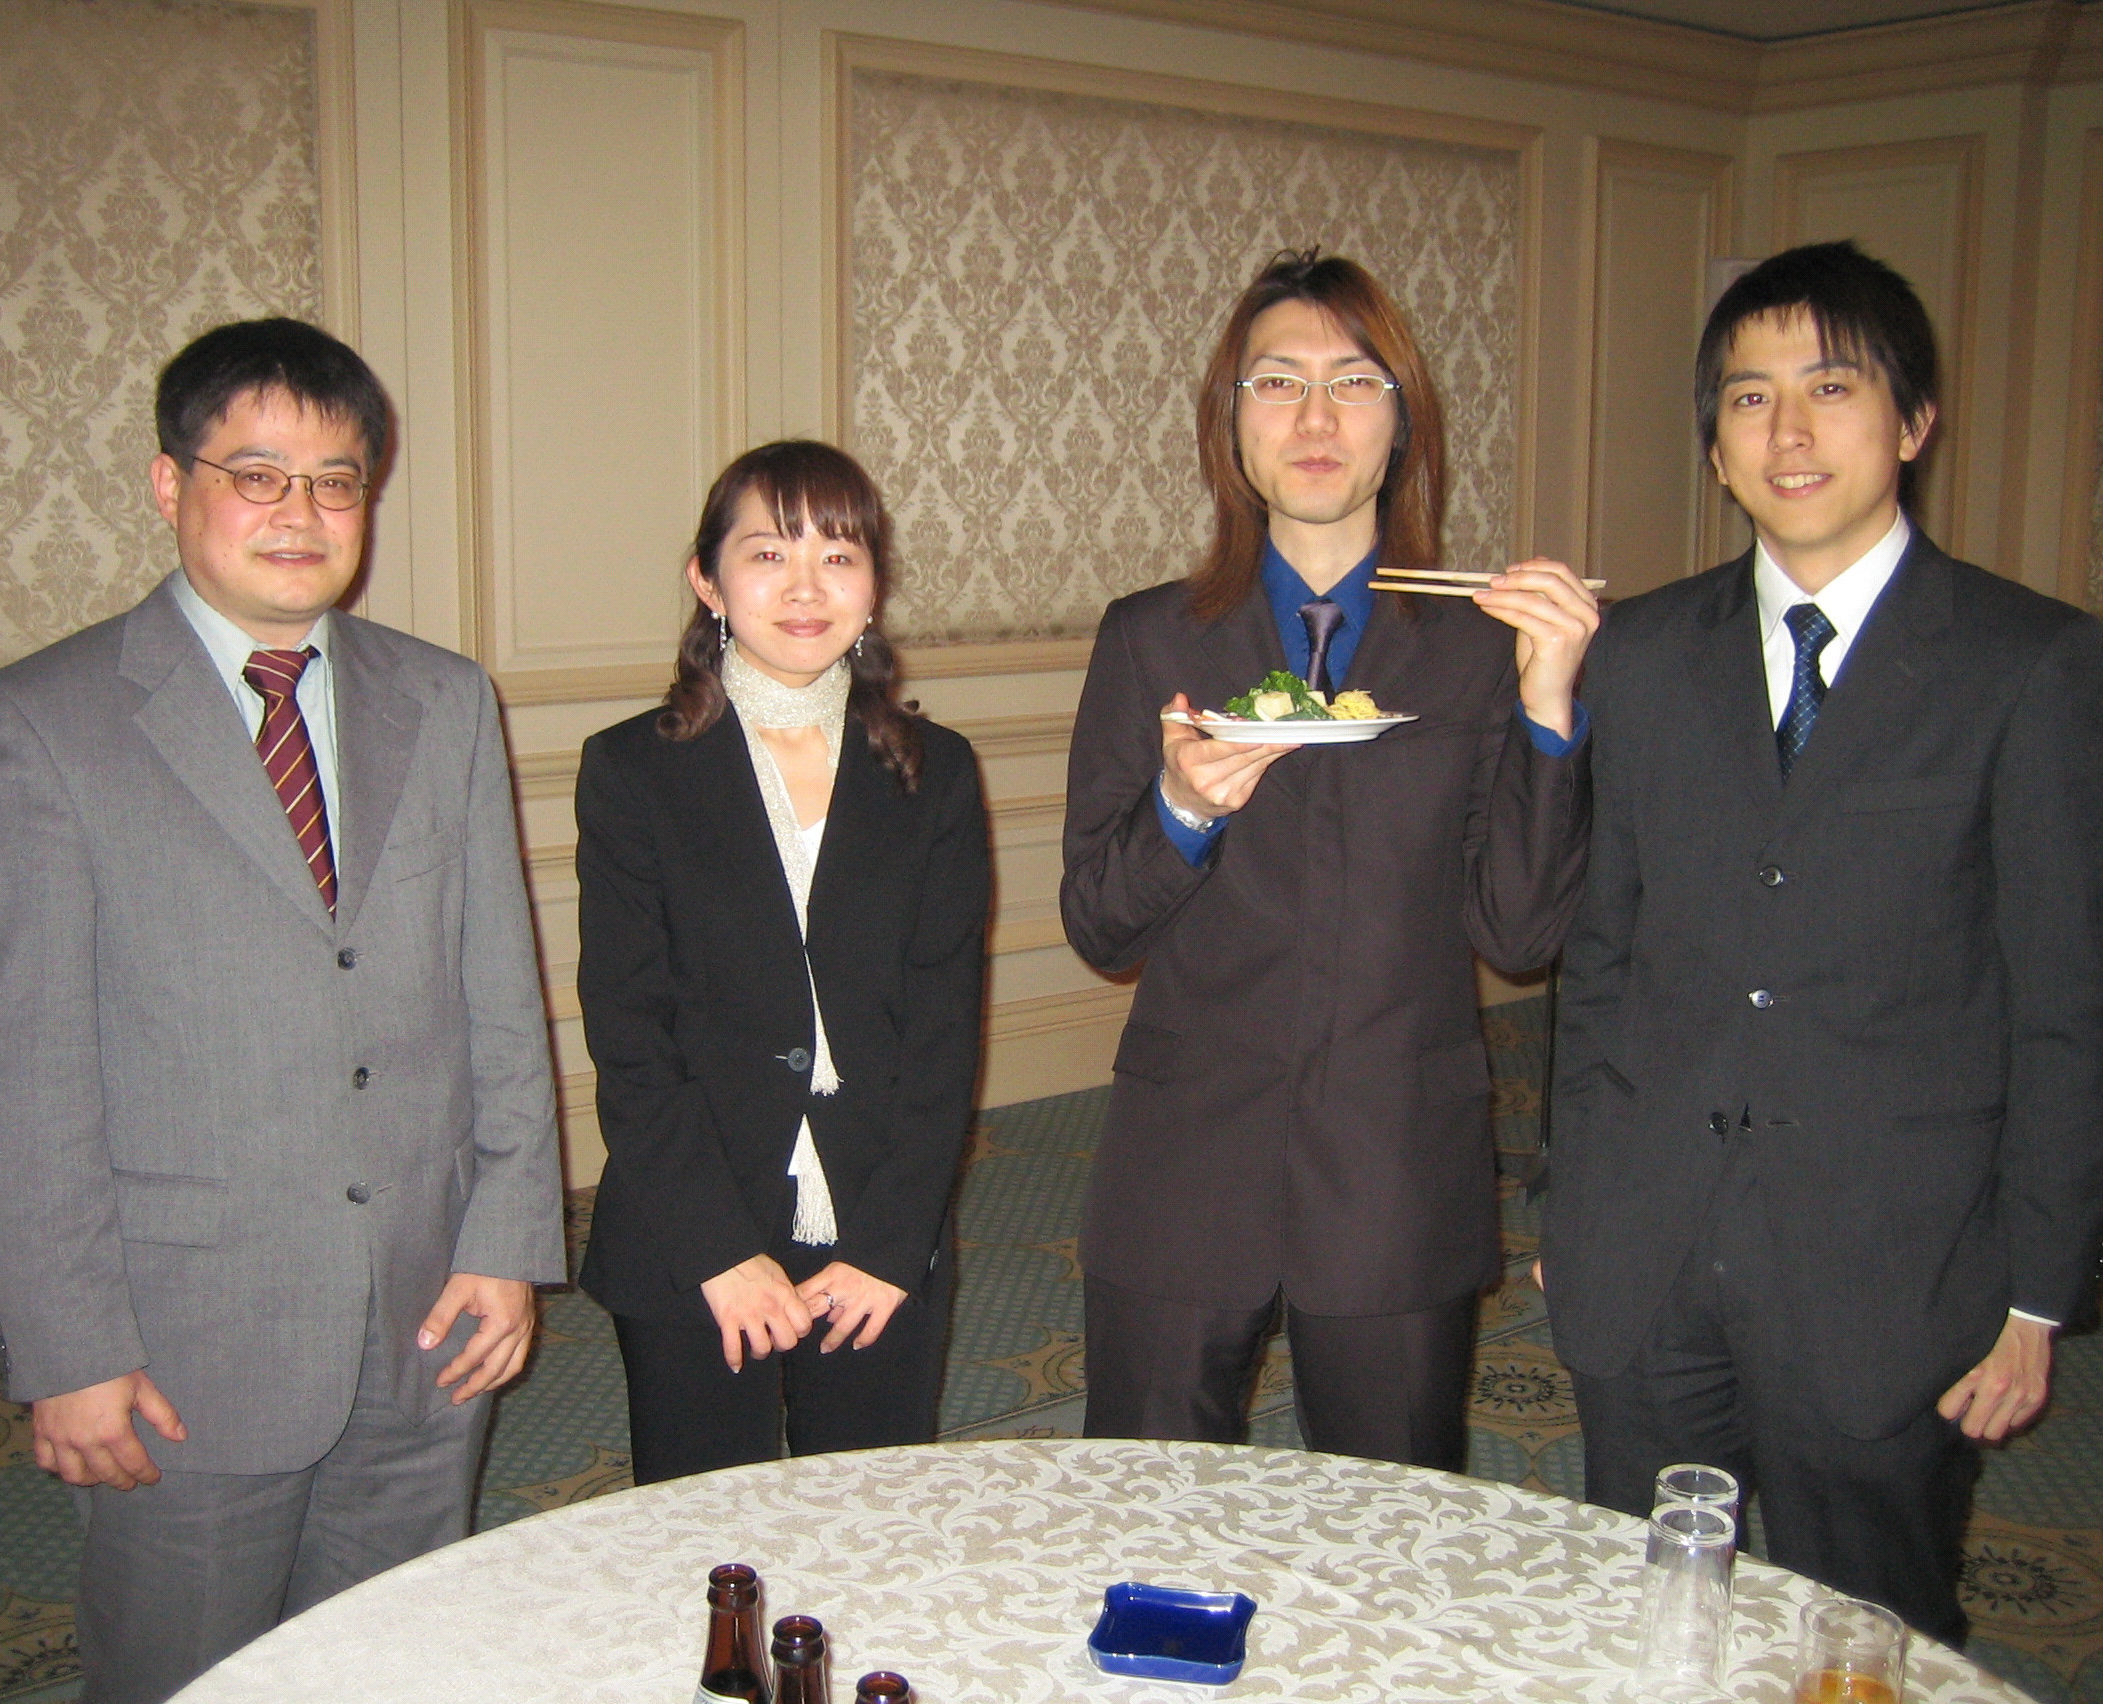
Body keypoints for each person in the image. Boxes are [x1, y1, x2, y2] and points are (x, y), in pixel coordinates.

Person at [0, 319, 566, 1703]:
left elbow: (499, 1000)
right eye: (258, 474)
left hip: (428, 1315)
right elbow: (25, 1076)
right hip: (186, 1347)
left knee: (395, 1666)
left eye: (336, 481)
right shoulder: (42, 725)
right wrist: (71, 1351)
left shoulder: (444, 700)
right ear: (171, 485)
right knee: (186, 1674)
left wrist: (507, 1242)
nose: (301, 513)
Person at [1540, 241, 2103, 1644]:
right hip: (1649, 1250)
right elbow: (1601, 957)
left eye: (1831, 388)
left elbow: (2065, 1004)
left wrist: (2037, 1297)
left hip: (1891, 1273)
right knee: (1652, 1619)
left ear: (1912, 422)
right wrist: (1577, 1203)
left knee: (1870, 1630)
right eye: (1749, 399)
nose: (1787, 432)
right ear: (1715, 449)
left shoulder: (2029, 663)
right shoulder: (1641, 652)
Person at [1059, 249, 1598, 1466]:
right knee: (1144, 1512)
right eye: (1277, 382)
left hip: (1394, 1163)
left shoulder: (1477, 649)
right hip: (1184, 1157)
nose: (1314, 418)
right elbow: (1098, 921)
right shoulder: (1151, 638)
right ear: (1229, 421)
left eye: (1354, 383)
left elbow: (1519, 933)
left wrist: (1548, 706)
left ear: (1402, 426)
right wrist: (1179, 810)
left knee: (1392, 1525)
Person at [573, 440, 990, 1485]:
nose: (806, 588)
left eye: (838, 556)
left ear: (874, 586)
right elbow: (629, 1035)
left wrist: (890, 1249)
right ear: (708, 582)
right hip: (693, 1224)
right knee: (708, 1528)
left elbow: (943, 1032)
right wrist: (717, 1250)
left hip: (878, 1223)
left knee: (867, 1519)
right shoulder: (632, 769)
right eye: (768, 554)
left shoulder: (934, 771)